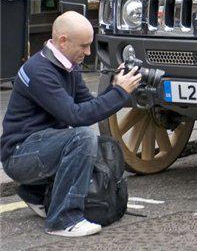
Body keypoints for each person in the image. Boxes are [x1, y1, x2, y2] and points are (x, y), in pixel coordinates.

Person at [0, 12, 141, 237]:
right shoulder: (40, 71)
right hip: (19, 155)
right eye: (84, 46)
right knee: (82, 138)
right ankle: (63, 220)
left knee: (98, 143)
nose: (88, 52)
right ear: (63, 41)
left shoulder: (67, 66)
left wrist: (115, 86)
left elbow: (87, 106)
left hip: (41, 147)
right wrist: (120, 93)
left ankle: (35, 193)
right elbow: (75, 117)